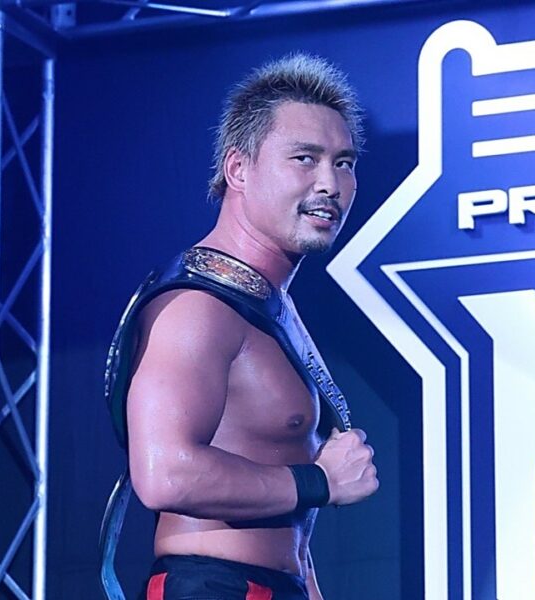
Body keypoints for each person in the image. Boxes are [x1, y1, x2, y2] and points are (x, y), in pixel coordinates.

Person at [126, 53, 379, 600]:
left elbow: (288, 517)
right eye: (305, 158)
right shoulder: (198, 307)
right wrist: (320, 481)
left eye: (343, 163)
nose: (330, 183)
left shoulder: (267, 304)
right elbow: (164, 473)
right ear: (239, 170)